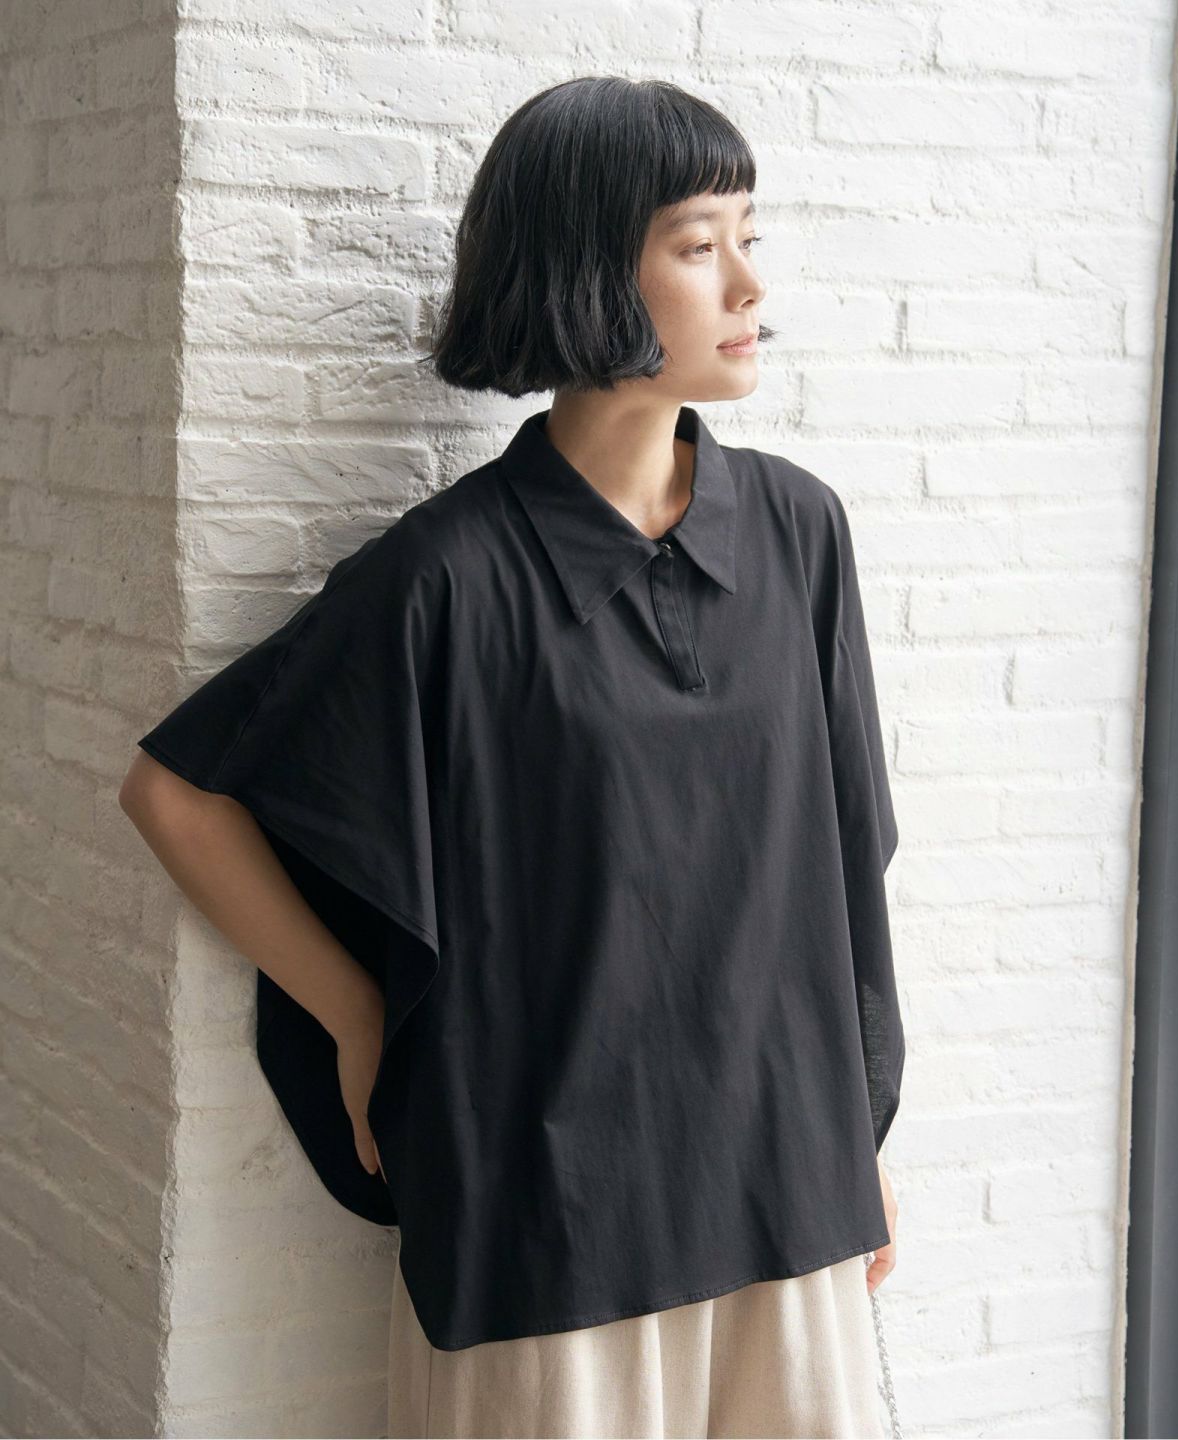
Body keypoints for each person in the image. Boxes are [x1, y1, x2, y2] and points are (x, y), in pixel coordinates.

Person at [121, 75, 904, 1440]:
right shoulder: (450, 576)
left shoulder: (797, 533)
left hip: (786, 1192)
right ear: (588, 271)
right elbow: (178, 794)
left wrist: (854, 1142)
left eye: (749, 236)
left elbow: (838, 869)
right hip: (552, 1225)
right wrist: (355, 1011)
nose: (748, 283)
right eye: (698, 243)